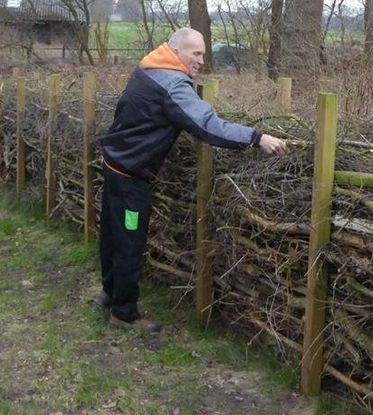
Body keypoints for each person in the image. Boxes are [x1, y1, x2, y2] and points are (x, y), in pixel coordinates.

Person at [97, 28, 289, 333]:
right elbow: (207, 125)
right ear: (177, 51)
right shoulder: (173, 84)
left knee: (112, 236)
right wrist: (256, 137)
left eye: (203, 53)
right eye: (195, 53)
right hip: (130, 177)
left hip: (115, 164)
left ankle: (111, 295)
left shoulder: (150, 67)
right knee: (128, 242)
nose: (201, 60)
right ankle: (123, 312)